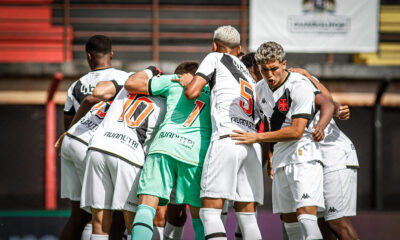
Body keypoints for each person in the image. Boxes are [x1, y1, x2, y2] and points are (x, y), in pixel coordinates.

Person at [231, 41, 335, 240]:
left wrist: (257, 137)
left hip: (303, 158)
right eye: (264, 70)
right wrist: (270, 157)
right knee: (290, 224)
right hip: (280, 160)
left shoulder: (299, 85)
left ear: (284, 64)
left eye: (274, 69)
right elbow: (269, 125)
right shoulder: (260, 88)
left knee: (307, 220)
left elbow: (296, 131)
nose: (269, 75)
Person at [179, 25, 263, 239]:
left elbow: (192, 92)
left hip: (227, 138)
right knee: (248, 218)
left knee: (210, 212)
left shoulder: (215, 57)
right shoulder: (251, 75)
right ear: (239, 48)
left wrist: (187, 83)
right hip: (251, 144)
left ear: (215, 45)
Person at [124, 62, 210, 240]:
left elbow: (131, 84)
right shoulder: (215, 87)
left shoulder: (173, 81)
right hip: (195, 154)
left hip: (164, 145)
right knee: (201, 217)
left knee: (146, 207)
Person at [79, 68, 166, 240]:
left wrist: (146, 71)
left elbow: (98, 91)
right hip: (129, 153)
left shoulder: (127, 84)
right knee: (133, 223)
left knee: (98, 221)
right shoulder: (166, 100)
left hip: (98, 146)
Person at [59, 35, 131, 240]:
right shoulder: (125, 78)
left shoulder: (76, 85)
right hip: (99, 148)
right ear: (112, 54)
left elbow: (69, 122)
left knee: (79, 214)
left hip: (72, 143)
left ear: (89, 57)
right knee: (113, 211)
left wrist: (65, 136)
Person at [290, 68, 359, 240]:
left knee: (336, 220)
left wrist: (337, 109)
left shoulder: (296, 79)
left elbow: (328, 101)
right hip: (313, 160)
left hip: (334, 153)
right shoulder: (264, 91)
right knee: (320, 223)